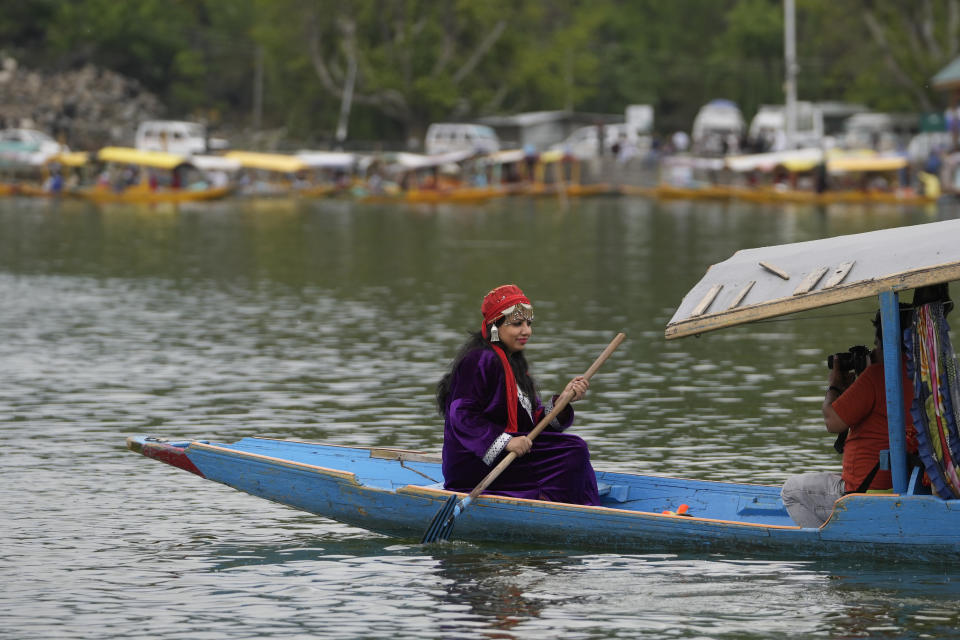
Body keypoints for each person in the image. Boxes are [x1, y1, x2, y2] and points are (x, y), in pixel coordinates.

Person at [437, 284, 601, 505]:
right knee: (572, 452)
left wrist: (562, 402)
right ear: (496, 326)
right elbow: (462, 415)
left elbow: (530, 425)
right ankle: (549, 503)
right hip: (475, 463)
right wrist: (505, 442)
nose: (526, 331)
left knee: (573, 448)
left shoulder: (514, 363)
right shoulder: (478, 360)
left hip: (509, 455)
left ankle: (559, 505)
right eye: (517, 324)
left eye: (528, 323)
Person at [781, 306, 918, 528]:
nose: (873, 352)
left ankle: (825, 542)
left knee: (791, 490)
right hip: (905, 483)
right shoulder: (924, 373)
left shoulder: (878, 375)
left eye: (875, 344)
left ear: (885, 342)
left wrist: (834, 385)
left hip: (866, 491)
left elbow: (832, 421)